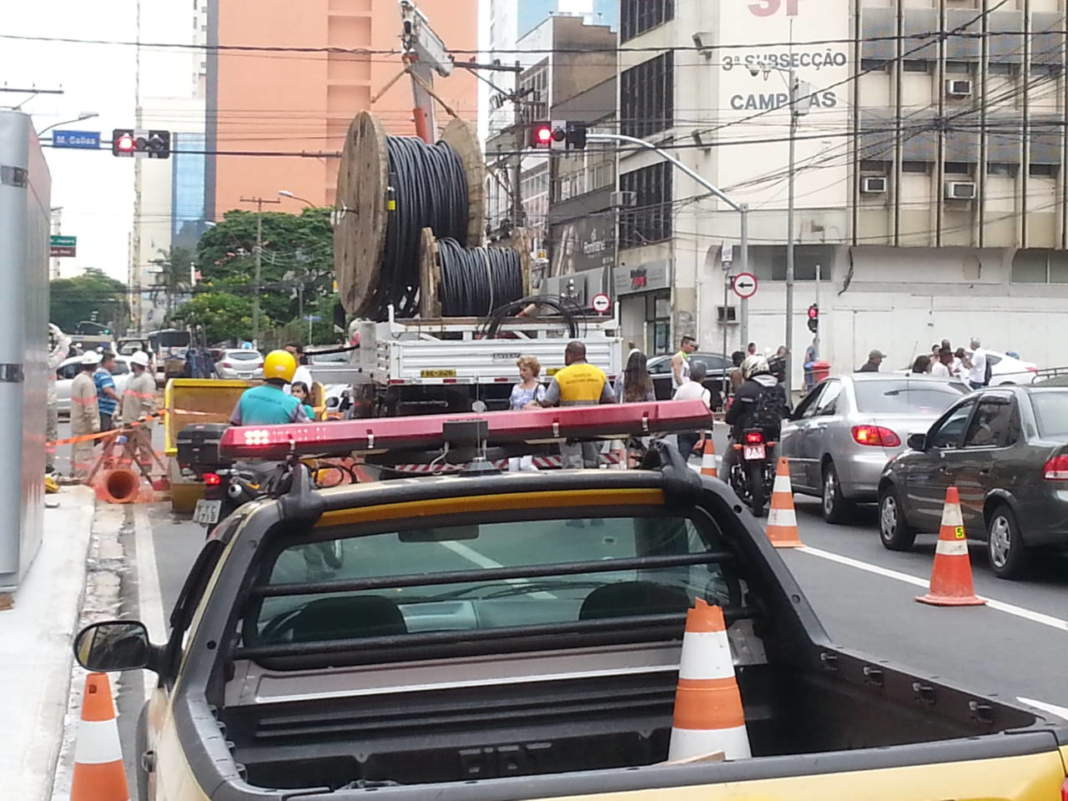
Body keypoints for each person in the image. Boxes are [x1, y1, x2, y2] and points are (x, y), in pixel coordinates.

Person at [540, 340, 615, 468]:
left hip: (569, 427)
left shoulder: (561, 376)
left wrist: (535, 403)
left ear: (570, 354)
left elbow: (547, 402)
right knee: (592, 462)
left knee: (572, 463)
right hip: (593, 425)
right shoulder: (599, 374)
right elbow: (611, 399)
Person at [723, 355, 790, 474]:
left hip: (744, 431)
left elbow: (733, 413)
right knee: (777, 463)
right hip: (772, 432)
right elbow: (785, 409)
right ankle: (778, 482)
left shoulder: (745, 388)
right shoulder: (778, 388)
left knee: (727, 460)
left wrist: (729, 419)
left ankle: (721, 488)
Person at [230, 350, 310, 426]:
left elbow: (234, 423)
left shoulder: (247, 394)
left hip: (248, 439)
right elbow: (306, 429)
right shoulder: (293, 403)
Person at [508, 355, 547, 472]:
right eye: (520, 369)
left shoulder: (539, 388)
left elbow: (544, 409)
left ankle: (539, 479)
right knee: (513, 464)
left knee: (525, 464)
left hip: (530, 429)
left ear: (533, 371)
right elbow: (511, 406)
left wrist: (531, 408)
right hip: (515, 427)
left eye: (524, 370)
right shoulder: (515, 388)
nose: (521, 373)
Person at [119, 351, 158, 467]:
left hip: (141, 422)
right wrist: (119, 410)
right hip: (129, 419)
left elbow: (148, 398)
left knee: (143, 448)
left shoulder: (147, 379)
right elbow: (124, 396)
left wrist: (144, 413)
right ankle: (124, 471)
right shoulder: (131, 379)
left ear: (135, 364)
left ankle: (146, 471)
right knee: (127, 447)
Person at [70, 352, 102, 480]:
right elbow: (89, 407)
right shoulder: (88, 383)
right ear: (94, 366)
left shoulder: (78, 379)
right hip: (85, 425)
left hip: (76, 422)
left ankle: (74, 474)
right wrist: (95, 425)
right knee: (84, 453)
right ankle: (82, 478)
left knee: (76, 451)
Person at [673, 361, 712, 460]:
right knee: (707, 459)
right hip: (698, 431)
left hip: (683, 429)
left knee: (682, 459)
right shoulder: (704, 392)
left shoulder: (681, 389)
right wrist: (703, 437)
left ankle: (681, 474)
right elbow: (704, 415)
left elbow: (673, 406)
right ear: (703, 377)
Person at [46, 323, 71, 474]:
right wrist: (58, 333)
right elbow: (63, 350)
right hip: (48, 402)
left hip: (29, 403)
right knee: (50, 435)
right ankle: (48, 465)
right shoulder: (50, 363)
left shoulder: (29, 360)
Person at [94, 352, 120, 431]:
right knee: (104, 437)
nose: (115, 365)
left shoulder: (100, 374)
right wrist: (120, 400)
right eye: (113, 362)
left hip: (105, 411)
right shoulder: (103, 375)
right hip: (104, 411)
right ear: (107, 362)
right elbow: (107, 389)